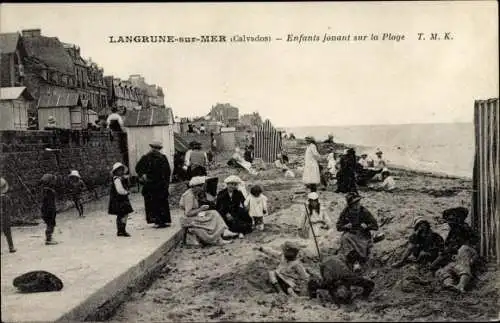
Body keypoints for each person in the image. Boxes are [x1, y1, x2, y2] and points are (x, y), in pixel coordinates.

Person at [179, 176, 238, 246]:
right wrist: (201, 209)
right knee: (212, 219)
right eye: (200, 186)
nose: (201, 188)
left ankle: (224, 231)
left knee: (214, 213)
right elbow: (188, 213)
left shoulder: (194, 193)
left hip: (193, 215)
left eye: (202, 186)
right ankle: (218, 239)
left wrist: (202, 209)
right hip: (187, 219)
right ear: (194, 186)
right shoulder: (189, 195)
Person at [336, 193, 379, 272]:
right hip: (350, 233)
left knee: (364, 245)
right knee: (345, 239)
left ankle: (364, 260)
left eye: (358, 202)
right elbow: (338, 226)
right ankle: (355, 262)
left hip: (362, 234)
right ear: (350, 205)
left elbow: (375, 225)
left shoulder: (363, 211)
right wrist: (345, 226)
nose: (357, 205)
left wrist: (367, 227)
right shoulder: (346, 212)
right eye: (354, 203)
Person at [307, 255, 375, 305]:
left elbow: (370, 284)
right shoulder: (331, 281)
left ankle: (313, 299)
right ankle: (313, 299)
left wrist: (364, 296)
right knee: (321, 284)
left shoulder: (348, 278)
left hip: (336, 269)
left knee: (324, 285)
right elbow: (326, 283)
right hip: (332, 269)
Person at [135, 141, 172, 228]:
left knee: (161, 202)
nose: (155, 150)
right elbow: (138, 168)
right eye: (154, 148)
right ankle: (157, 221)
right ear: (151, 148)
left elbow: (168, 171)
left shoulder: (163, 157)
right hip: (151, 184)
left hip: (161, 184)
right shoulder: (146, 157)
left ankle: (163, 221)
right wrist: (143, 176)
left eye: (157, 148)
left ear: (159, 149)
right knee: (154, 202)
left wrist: (166, 182)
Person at [108, 162, 133, 237]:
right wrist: (126, 192)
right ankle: (122, 230)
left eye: (122, 170)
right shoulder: (117, 179)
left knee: (122, 214)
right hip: (120, 199)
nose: (121, 172)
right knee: (123, 214)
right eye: (119, 170)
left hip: (119, 199)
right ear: (115, 172)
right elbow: (120, 190)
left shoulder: (119, 178)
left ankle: (121, 230)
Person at [40, 173, 59, 245]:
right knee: (51, 224)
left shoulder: (44, 190)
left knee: (49, 224)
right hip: (49, 210)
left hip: (45, 209)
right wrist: (52, 211)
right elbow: (50, 203)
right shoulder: (50, 191)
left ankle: (49, 237)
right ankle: (48, 239)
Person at [1, 177, 16, 253]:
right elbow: (10, 207)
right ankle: (11, 247)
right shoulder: (6, 198)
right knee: (8, 233)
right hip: (5, 217)